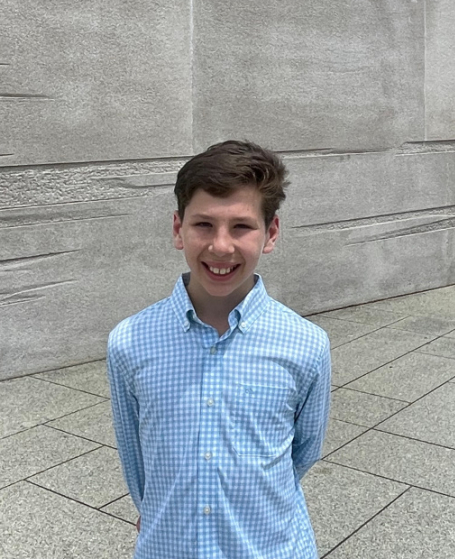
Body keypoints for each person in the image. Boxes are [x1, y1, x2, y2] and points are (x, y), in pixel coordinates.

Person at [107, 141, 332, 559]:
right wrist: (161, 510)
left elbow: (302, 454)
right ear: (178, 229)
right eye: (204, 225)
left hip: (270, 548)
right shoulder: (130, 341)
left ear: (271, 234)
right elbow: (137, 460)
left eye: (241, 227)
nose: (221, 246)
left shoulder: (306, 344)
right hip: (170, 547)